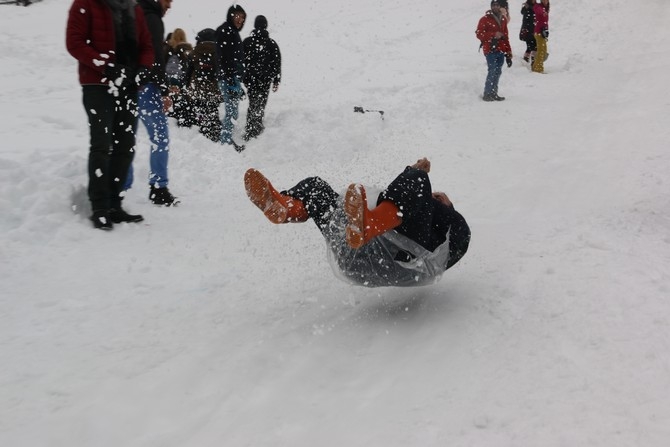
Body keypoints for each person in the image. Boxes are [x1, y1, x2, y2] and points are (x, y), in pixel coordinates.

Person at [244, 158, 471, 288]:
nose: (435, 198)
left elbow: (447, 224)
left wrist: (417, 177)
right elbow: (407, 198)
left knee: (417, 180)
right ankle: (284, 208)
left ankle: (369, 225)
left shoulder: (451, 231)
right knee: (317, 188)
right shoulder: (405, 215)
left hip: (400, 259)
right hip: (357, 252)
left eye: (440, 198)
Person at [66, 0, 154, 230]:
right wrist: (106, 66)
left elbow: (147, 46)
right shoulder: (85, 4)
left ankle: (115, 203)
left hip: (128, 86)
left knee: (125, 146)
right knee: (101, 145)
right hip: (98, 85)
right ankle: (100, 207)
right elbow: (74, 42)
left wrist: (144, 67)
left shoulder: (134, 7)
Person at [128, 0, 179, 206]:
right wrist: (164, 90)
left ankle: (120, 187)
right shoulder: (152, 18)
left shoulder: (135, 11)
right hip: (147, 86)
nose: (170, 5)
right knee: (160, 137)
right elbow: (155, 57)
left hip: (131, 84)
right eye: (168, 0)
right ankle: (158, 188)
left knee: (125, 138)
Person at [178, 28, 223, 141]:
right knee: (212, 110)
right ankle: (213, 131)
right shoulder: (219, 53)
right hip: (214, 90)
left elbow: (188, 74)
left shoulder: (193, 53)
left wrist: (185, 88)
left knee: (200, 110)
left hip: (197, 90)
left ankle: (202, 130)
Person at [242, 15, 281, 141]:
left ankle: (251, 128)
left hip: (251, 79)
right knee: (261, 102)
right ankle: (256, 127)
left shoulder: (247, 42)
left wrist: (244, 76)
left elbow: (241, 61)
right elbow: (276, 63)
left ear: (255, 25)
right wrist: (276, 80)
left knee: (253, 102)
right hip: (265, 79)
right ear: (266, 25)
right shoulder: (271, 43)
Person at [215, 4, 247, 152]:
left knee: (232, 111)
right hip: (229, 78)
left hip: (231, 77)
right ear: (231, 15)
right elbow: (224, 57)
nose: (240, 19)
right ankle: (225, 142)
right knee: (232, 112)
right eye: (237, 16)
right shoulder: (226, 31)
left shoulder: (231, 31)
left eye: (242, 17)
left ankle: (226, 138)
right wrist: (230, 80)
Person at [476, 0, 513, 102]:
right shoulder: (484, 19)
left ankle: (494, 93)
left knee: (498, 71)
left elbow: (506, 37)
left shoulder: (503, 20)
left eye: (497, 5)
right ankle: (487, 93)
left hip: (500, 49)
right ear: (491, 6)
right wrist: (493, 34)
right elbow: (479, 34)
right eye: (493, 5)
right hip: (490, 49)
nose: (495, 7)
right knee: (492, 70)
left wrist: (509, 53)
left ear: (500, 6)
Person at [532, 0, 550, 73]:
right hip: (539, 32)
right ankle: (538, 68)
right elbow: (538, 10)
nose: (545, 1)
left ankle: (535, 66)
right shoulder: (538, 6)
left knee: (543, 51)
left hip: (543, 32)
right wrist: (543, 12)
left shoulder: (545, 8)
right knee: (541, 51)